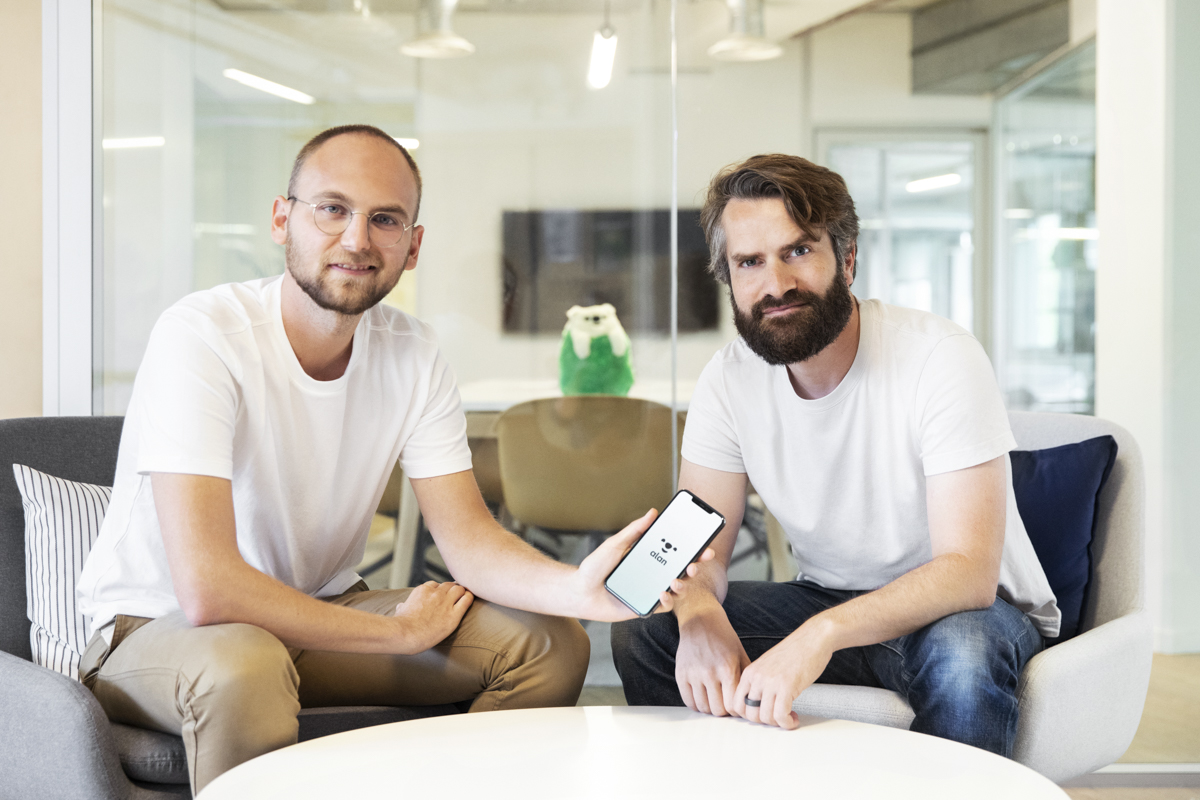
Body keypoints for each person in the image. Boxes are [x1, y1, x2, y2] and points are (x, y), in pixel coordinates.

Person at [76, 124, 659, 795]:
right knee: (244, 662)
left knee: (552, 644)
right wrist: (395, 633)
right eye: (332, 208)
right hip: (158, 628)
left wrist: (577, 587)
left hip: (315, 613)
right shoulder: (202, 335)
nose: (356, 239)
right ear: (281, 219)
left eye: (384, 219)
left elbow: (468, 541)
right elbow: (209, 588)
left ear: (412, 247)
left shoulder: (413, 352)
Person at [611, 153, 1059, 758]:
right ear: (730, 280)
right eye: (750, 262)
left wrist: (820, 635)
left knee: (964, 655)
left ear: (846, 259)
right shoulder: (727, 381)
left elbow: (968, 572)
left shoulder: (939, 357)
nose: (775, 284)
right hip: (827, 593)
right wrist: (694, 613)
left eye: (797, 251)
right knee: (647, 630)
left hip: (962, 613)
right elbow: (700, 549)